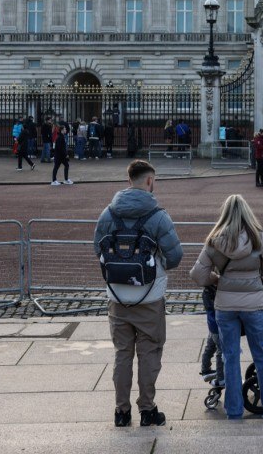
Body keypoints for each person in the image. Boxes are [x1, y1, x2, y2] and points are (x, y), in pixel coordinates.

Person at [189, 194, 263, 421]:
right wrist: (259, 281)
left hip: (225, 306)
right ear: (247, 212)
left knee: (230, 357)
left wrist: (218, 279)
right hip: (254, 305)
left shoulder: (214, 240)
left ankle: (234, 411)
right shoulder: (259, 237)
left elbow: (197, 275)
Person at [95, 160, 183, 427]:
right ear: (149, 181)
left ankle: (121, 412)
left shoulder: (108, 214)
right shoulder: (158, 216)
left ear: (128, 180)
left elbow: (96, 249)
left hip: (117, 297)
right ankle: (147, 409)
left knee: (122, 354)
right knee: (149, 353)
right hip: (149, 296)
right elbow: (175, 255)